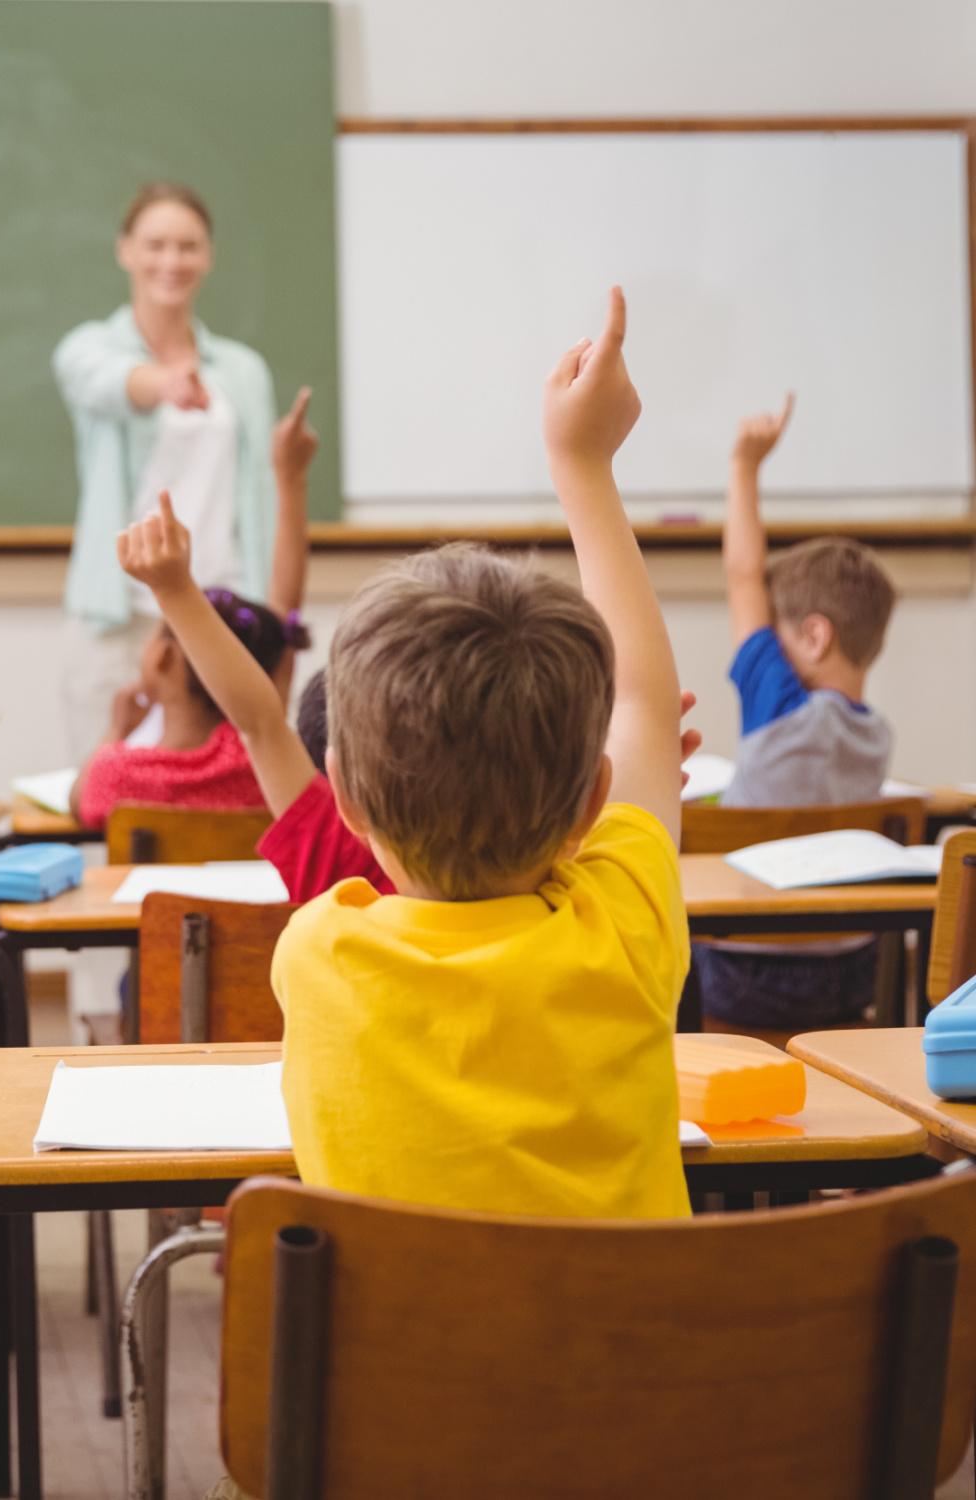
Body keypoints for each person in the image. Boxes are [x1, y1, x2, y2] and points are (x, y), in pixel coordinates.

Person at [120, 287, 693, 1222]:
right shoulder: (626, 926)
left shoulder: (321, 950)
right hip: (632, 1368)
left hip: (390, 1375)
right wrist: (581, 464)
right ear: (593, 799)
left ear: (341, 790)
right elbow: (644, 704)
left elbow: (265, 723)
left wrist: (179, 595)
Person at [53, 180, 292, 764]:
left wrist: (272, 618)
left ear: (207, 256)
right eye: (155, 244)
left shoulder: (243, 372)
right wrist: (164, 383)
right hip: (120, 616)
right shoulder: (88, 349)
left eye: (188, 246)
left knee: (221, 793)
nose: (172, 260)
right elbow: (107, 382)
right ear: (126, 250)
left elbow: (260, 499)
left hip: (219, 614)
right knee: (107, 791)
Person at [695, 394, 897, 1030]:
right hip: (852, 967)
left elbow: (743, 576)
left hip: (749, 970)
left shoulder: (779, 708)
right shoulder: (876, 736)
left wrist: (744, 467)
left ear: (813, 637)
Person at [70, 393, 317, 828]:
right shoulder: (261, 764)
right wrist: (290, 480)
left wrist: (118, 731)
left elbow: (79, 802)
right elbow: (284, 617)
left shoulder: (119, 774)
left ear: (164, 658)